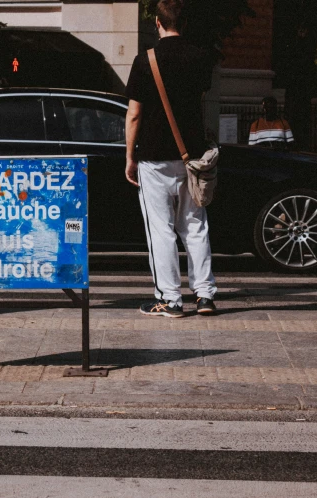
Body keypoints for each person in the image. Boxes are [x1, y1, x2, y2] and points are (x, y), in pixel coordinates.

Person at [124, 0, 218, 317]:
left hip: (153, 157)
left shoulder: (144, 61)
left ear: (157, 23)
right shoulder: (201, 57)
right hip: (190, 156)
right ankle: (204, 296)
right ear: (184, 23)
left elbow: (134, 115)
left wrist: (129, 156)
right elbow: (198, 103)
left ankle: (171, 299)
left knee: (160, 230)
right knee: (195, 226)